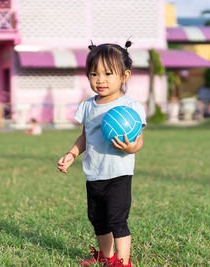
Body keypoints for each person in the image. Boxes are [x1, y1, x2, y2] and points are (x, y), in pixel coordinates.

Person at [57, 42, 146, 267]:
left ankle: (123, 262)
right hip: (94, 174)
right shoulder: (88, 106)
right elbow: (85, 136)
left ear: (125, 76)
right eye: (94, 74)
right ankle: (106, 257)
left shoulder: (130, 107)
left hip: (118, 174)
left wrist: (130, 148)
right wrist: (72, 154)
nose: (100, 80)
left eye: (108, 73)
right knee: (98, 220)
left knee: (118, 220)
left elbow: (138, 141)